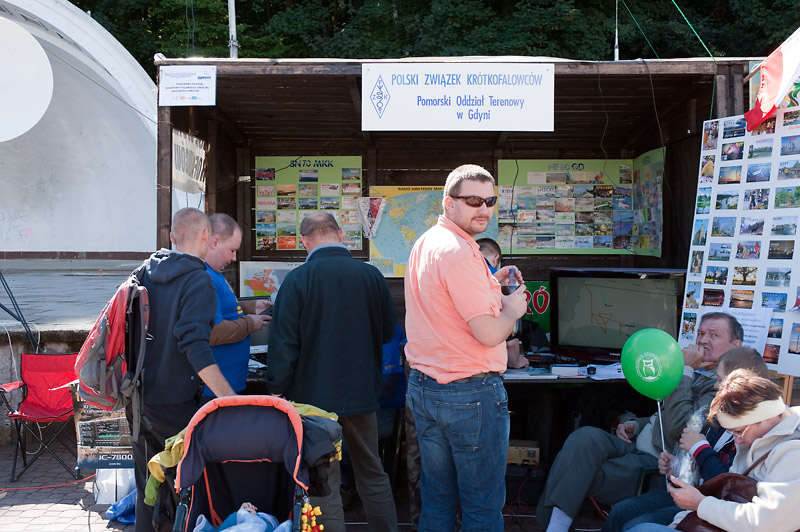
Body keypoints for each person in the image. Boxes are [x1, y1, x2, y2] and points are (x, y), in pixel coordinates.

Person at [404, 164, 528, 532]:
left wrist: (489, 283)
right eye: (473, 200)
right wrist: (513, 309)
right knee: (481, 508)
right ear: (449, 203)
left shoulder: (427, 241)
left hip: (425, 386)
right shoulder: (460, 252)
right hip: (470, 392)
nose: (484, 209)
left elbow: (445, 304)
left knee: (437, 500)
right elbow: (489, 334)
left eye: (490, 200)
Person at [537, 312, 743, 532]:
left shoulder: (722, 388)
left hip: (657, 460)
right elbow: (664, 414)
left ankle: (554, 527)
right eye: (700, 334)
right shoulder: (697, 373)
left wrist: (685, 370)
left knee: (575, 470)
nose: (703, 341)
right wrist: (637, 425)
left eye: (714, 335)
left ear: (735, 345)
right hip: (636, 443)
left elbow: (679, 429)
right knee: (583, 437)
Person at [266, 212, 398, 532]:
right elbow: (387, 332)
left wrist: (276, 390)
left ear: (304, 241)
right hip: (362, 394)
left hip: (314, 402)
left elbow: (283, 345)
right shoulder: (371, 276)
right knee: (372, 470)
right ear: (340, 235)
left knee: (323, 478)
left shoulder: (297, 280)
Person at [127, 207, 236, 532]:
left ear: (172, 237)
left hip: (137, 397)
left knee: (148, 487)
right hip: (176, 402)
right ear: (205, 236)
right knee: (191, 486)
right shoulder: (198, 280)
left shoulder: (143, 272)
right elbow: (195, 345)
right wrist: (230, 399)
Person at [601, 347, 769, 531]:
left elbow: (728, 487)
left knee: (636, 526)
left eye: (720, 380)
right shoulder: (721, 417)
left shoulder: (754, 430)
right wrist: (676, 466)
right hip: (693, 494)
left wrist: (700, 448)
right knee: (620, 511)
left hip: (714, 507)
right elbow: (701, 472)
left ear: (741, 384)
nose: (715, 386)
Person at [628, 369, 800, 532]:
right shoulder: (756, 439)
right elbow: (726, 493)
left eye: (739, 431)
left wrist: (700, 504)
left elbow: (766, 522)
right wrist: (679, 522)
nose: (737, 440)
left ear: (767, 417)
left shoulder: (793, 452)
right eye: (732, 433)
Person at [202, 213, 271, 400]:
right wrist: (250, 323)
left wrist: (250, 307)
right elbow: (213, 331)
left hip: (229, 385)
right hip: (215, 391)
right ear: (215, 242)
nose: (234, 258)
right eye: (232, 250)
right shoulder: (205, 278)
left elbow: (219, 308)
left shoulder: (215, 273)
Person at [476, 237, 529, 369]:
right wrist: (516, 362)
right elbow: (511, 337)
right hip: (488, 367)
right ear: (496, 258)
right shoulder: (503, 282)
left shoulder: (466, 273)